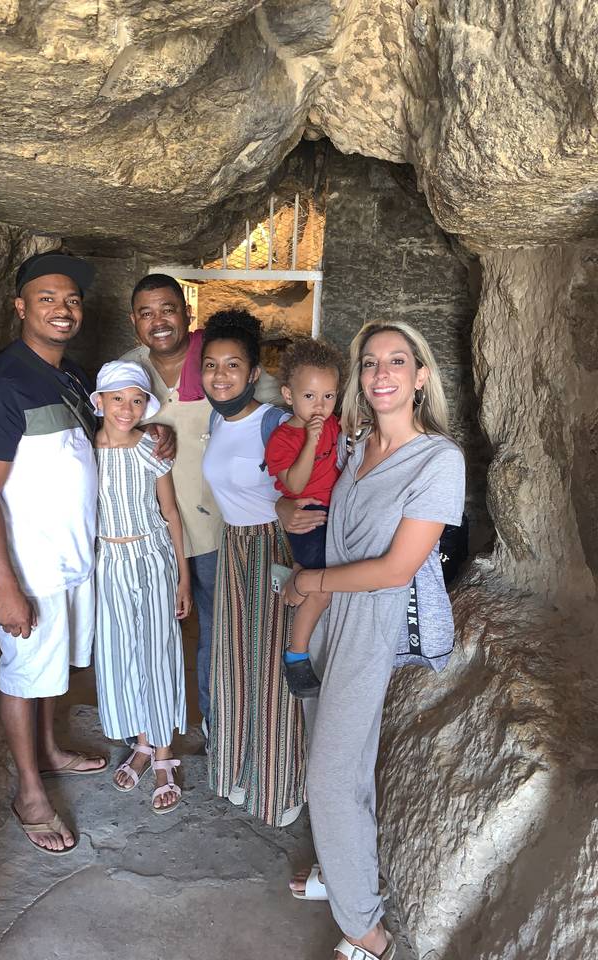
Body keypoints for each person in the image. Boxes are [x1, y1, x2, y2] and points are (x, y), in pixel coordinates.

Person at [282, 321, 465, 960]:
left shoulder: (440, 460)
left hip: (370, 621)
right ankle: (342, 867)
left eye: (397, 361)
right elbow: (311, 510)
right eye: (368, 363)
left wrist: (309, 580)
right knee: (340, 762)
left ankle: (367, 928)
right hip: (328, 614)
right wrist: (306, 605)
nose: (380, 373)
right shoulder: (356, 448)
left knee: (330, 775)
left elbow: (395, 569)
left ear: (420, 376)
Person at [0, 252, 107, 856]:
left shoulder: (71, 375)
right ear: (21, 307)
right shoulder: (1, 383)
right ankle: (29, 792)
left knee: (53, 669)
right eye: (47, 298)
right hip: (30, 569)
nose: (62, 309)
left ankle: (47, 751)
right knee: (24, 676)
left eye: (71, 299)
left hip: (71, 559)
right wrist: (7, 585)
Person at [121, 275, 283, 735]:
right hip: (153, 529)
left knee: (218, 630)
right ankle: (152, 734)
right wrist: (139, 432)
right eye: (147, 312)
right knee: (150, 631)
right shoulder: (128, 370)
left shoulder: (217, 361)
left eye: (168, 309)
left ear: (186, 312)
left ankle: (217, 726)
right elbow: (107, 430)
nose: (159, 321)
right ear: (134, 321)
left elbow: (272, 410)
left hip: (218, 526)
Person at [201, 309, 305, 827]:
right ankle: (240, 771)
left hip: (273, 551)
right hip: (235, 548)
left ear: (253, 373)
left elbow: (313, 489)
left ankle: (281, 785)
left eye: (233, 365)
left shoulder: (276, 424)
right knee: (235, 667)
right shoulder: (218, 418)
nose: (221, 376)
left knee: (273, 670)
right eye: (212, 365)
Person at [91, 360, 191, 815]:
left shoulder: (152, 448)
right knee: (121, 651)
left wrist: (183, 577)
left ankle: (164, 752)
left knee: (159, 649)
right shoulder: (85, 451)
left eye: (136, 400)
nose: (126, 409)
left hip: (152, 558)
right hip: (109, 561)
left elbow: (170, 512)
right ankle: (143, 742)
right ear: (99, 402)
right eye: (117, 399)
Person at [264, 337, 344, 698]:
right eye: (310, 396)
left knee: (330, 577)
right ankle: (296, 656)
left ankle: (296, 576)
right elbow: (294, 483)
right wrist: (310, 442)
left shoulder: (335, 424)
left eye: (328, 396)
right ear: (288, 395)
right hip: (308, 514)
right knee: (324, 589)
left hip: (335, 514)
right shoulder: (282, 438)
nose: (320, 406)